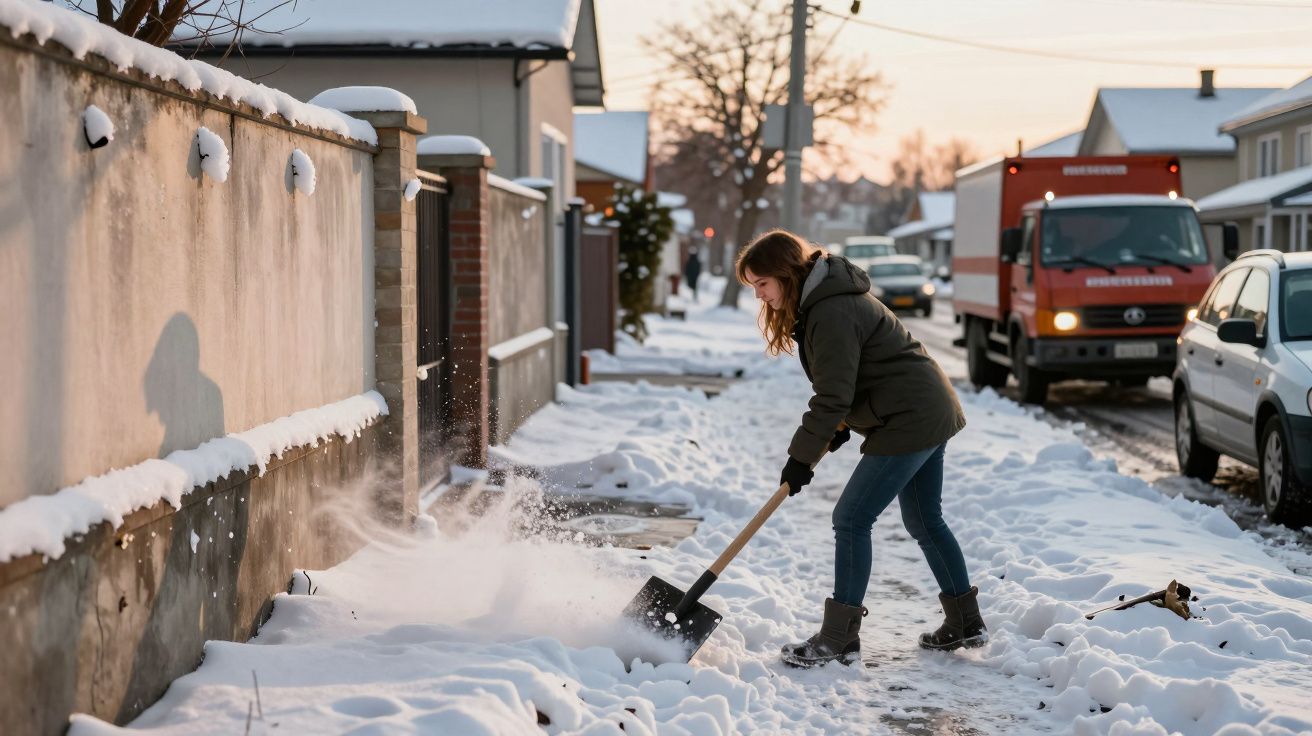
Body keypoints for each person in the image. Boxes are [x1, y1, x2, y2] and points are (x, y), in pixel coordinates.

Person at [735, 229, 985, 668]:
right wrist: (836, 428)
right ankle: (965, 623)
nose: (759, 296)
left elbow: (833, 394)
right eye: (753, 287)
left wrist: (801, 457)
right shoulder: (825, 301)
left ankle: (838, 639)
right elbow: (853, 381)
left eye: (762, 284)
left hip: (910, 415)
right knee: (925, 520)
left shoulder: (830, 309)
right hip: (923, 406)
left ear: (786, 274)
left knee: (851, 518)